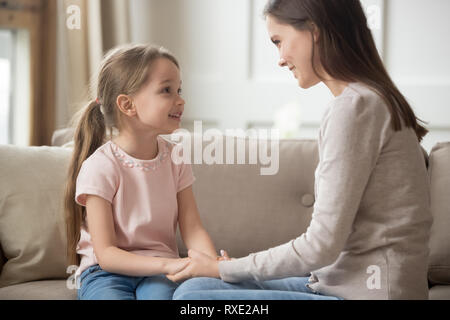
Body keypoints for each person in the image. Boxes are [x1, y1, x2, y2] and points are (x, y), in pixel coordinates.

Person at [168, 0, 433, 300]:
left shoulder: (355, 107)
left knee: (195, 299)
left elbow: (321, 245)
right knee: (193, 288)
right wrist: (227, 270)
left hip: (368, 294)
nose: (280, 59)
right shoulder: (367, 100)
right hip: (335, 285)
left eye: (279, 41)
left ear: (314, 30)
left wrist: (227, 269)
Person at [64, 44, 220, 300]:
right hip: (104, 273)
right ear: (127, 104)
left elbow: (192, 229)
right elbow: (106, 255)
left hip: (160, 271)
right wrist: (169, 264)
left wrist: (212, 264)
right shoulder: (100, 166)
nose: (180, 100)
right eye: (166, 90)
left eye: (179, 90)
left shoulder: (175, 158)